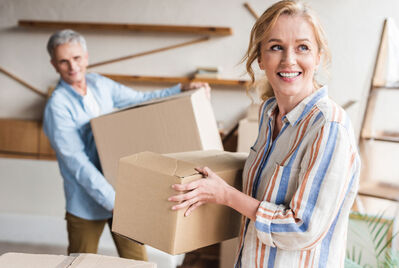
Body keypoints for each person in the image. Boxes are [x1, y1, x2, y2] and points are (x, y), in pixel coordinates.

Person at [168, 1, 360, 267]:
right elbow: (262, 193)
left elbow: (302, 228)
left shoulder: (328, 127)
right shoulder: (269, 114)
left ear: (318, 57)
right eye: (276, 47)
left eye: (302, 47)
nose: (288, 60)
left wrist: (225, 195)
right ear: (260, 57)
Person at [43, 29, 209, 260]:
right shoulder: (57, 107)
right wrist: (113, 201)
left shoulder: (99, 84)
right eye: (64, 61)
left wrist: (181, 89)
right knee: (79, 262)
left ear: (86, 57)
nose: (72, 66)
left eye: (76, 58)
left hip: (121, 190)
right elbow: (77, 163)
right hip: (86, 202)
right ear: (54, 64)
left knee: (137, 261)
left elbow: (138, 100)